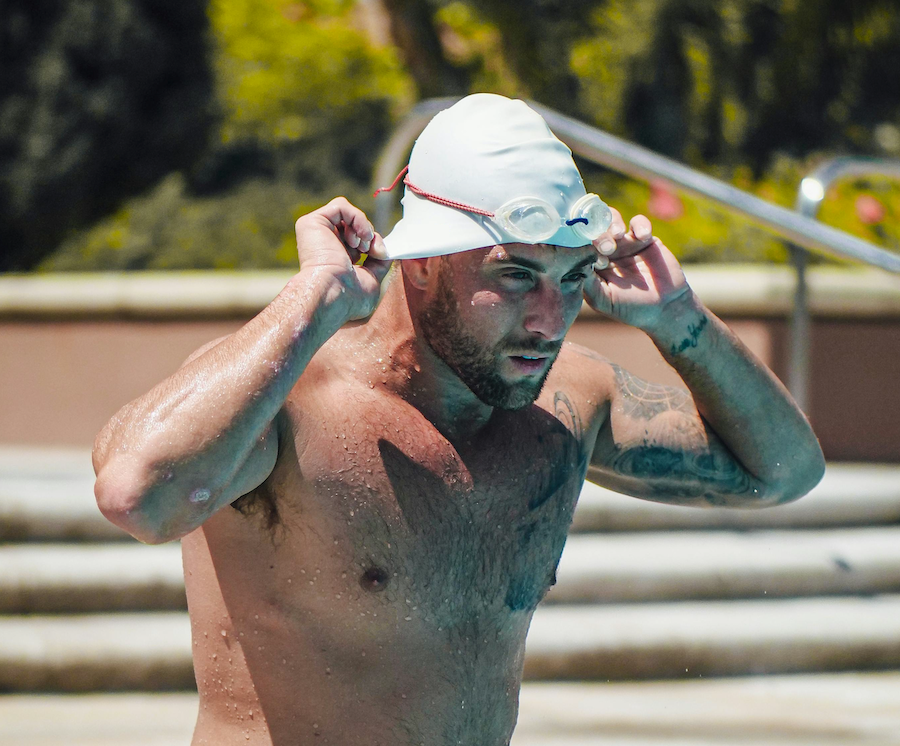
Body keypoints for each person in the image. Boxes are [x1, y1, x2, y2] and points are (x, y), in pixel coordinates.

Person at [92, 94, 825, 746]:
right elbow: (138, 497)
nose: (550, 320)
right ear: (422, 262)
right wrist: (312, 301)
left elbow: (785, 472)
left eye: (572, 280)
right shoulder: (292, 402)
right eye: (515, 275)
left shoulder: (568, 404)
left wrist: (680, 321)